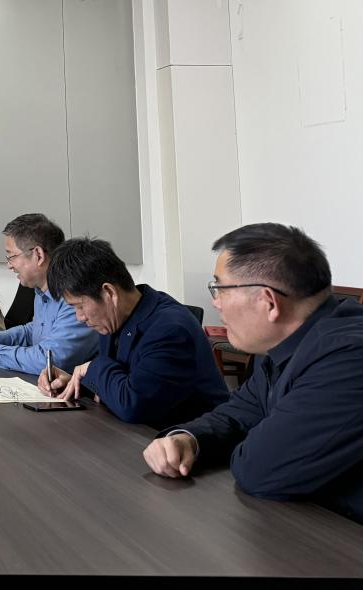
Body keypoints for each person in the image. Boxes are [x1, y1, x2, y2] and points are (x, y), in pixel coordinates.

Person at [143, 223, 363, 523]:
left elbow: (259, 469)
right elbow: (237, 413)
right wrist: (188, 439)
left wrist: (247, 439)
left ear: (269, 302)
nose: (215, 302)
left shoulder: (347, 358)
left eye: (220, 289)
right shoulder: (283, 347)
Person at [37, 236, 228, 427]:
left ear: (109, 293)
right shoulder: (115, 319)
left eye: (79, 306)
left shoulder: (170, 329)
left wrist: (92, 367)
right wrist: (75, 382)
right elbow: (118, 382)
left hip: (189, 440)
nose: (79, 317)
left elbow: (134, 405)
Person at [0, 213, 97, 373]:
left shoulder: (75, 296)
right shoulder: (41, 291)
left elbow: (48, 360)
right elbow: (37, 330)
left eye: (11, 256)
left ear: (38, 255)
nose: (9, 265)